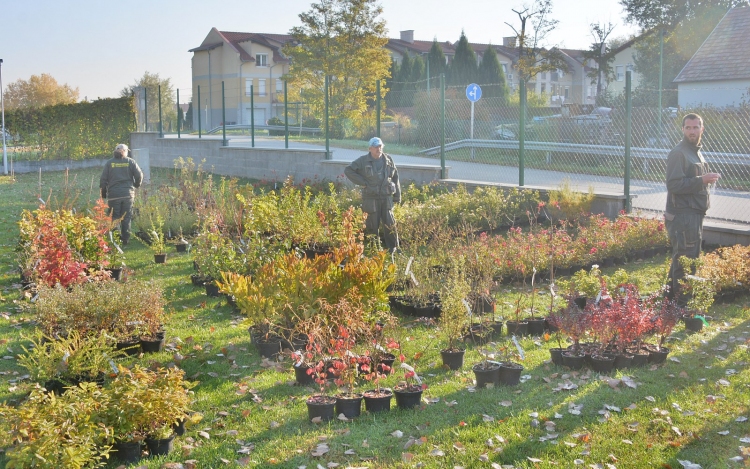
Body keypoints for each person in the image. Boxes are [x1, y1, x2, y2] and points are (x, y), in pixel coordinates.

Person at [664, 113, 720, 303]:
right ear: (683, 129)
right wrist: (701, 180)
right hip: (682, 216)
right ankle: (681, 305)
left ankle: (669, 300)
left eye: (696, 127)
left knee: (685, 257)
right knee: (686, 260)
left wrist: (704, 182)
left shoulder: (695, 151)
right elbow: (673, 185)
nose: (692, 131)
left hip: (693, 214)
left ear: (702, 129)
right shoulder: (679, 153)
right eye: (688, 128)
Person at [344, 137, 401, 251]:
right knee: (372, 225)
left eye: (380, 146)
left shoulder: (388, 159)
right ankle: (373, 249)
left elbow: (395, 177)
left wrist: (397, 196)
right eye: (375, 147)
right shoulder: (362, 161)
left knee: (390, 223)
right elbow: (348, 170)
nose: (378, 149)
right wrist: (363, 183)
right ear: (370, 148)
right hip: (371, 198)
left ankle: (394, 248)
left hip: (386, 197)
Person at [100, 144, 143, 246]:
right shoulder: (130, 162)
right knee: (126, 217)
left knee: (114, 216)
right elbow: (139, 175)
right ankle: (125, 239)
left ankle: (115, 238)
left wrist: (103, 193)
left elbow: (103, 179)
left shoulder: (109, 163)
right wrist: (136, 185)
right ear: (125, 151)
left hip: (114, 195)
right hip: (128, 195)